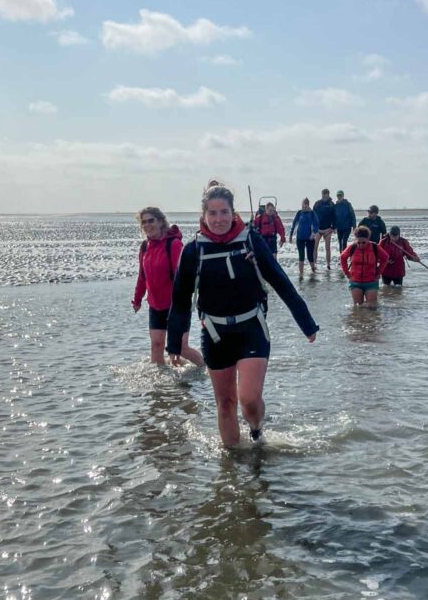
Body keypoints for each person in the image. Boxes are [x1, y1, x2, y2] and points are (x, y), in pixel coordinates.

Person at [167, 184, 319, 447]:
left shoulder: (251, 240)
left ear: (232, 212)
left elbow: (280, 281)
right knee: (225, 403)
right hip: (215, 334)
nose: (219, 219)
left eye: (224, 212)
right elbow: (180, 300)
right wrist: (173, 344)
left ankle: (257, 430)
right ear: (203, 215)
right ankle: (231, 464)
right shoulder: (194, 250)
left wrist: (306, 323)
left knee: (249, 400)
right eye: (212, 213)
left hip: (252, 328)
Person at [132, 207, 203, 366]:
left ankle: (207, 371)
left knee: (180, 349)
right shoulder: (144, 247)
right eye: (144, 222)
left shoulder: (174, 244)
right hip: (155, 305)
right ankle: (160, 381)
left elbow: (186, 278)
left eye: (151, 220)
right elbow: (142, 276)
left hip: (177, 305)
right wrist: (137, 300)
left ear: (161, 222)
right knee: (156, 346)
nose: (147, 225)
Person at [340, 225, 390, 307]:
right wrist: (346, 272)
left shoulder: (374, 247)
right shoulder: (352, 247)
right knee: (358, 306)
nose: (361, 245)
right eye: (358, 243)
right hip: (355, 282)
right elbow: (342, 257)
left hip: (371, 281)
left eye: (364, 242)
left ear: (368, 239)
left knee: (371, 306)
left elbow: (385, 258)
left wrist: (378, 272)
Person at [289, 197, 319, 278]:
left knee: (310, 256)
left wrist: (313, 233)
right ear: (301, 205)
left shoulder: (312, 213)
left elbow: (316, 224)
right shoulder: (299, 213)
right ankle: (301, 275)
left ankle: (313, 270)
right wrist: (291, 235)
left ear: (308, 205)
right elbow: (294, 224)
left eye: (306, 205)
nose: (304, 207)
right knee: (301, 256)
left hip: (310, 238)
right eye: (303, 205)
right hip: (300, 238)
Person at [312, 189, 337, 269]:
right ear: (321, 194)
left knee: (327, 248)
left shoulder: (331, 204)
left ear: (328, 195)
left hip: (327, 229)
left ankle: (328, 264)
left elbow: (335, 217)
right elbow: (313, 216)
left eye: (326, 194)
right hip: (318, 229)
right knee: (315, 247)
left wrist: (333, 228)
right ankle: (314, 264)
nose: (324, 196)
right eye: (323, 194)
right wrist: (314, 228)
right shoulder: (317, 203)